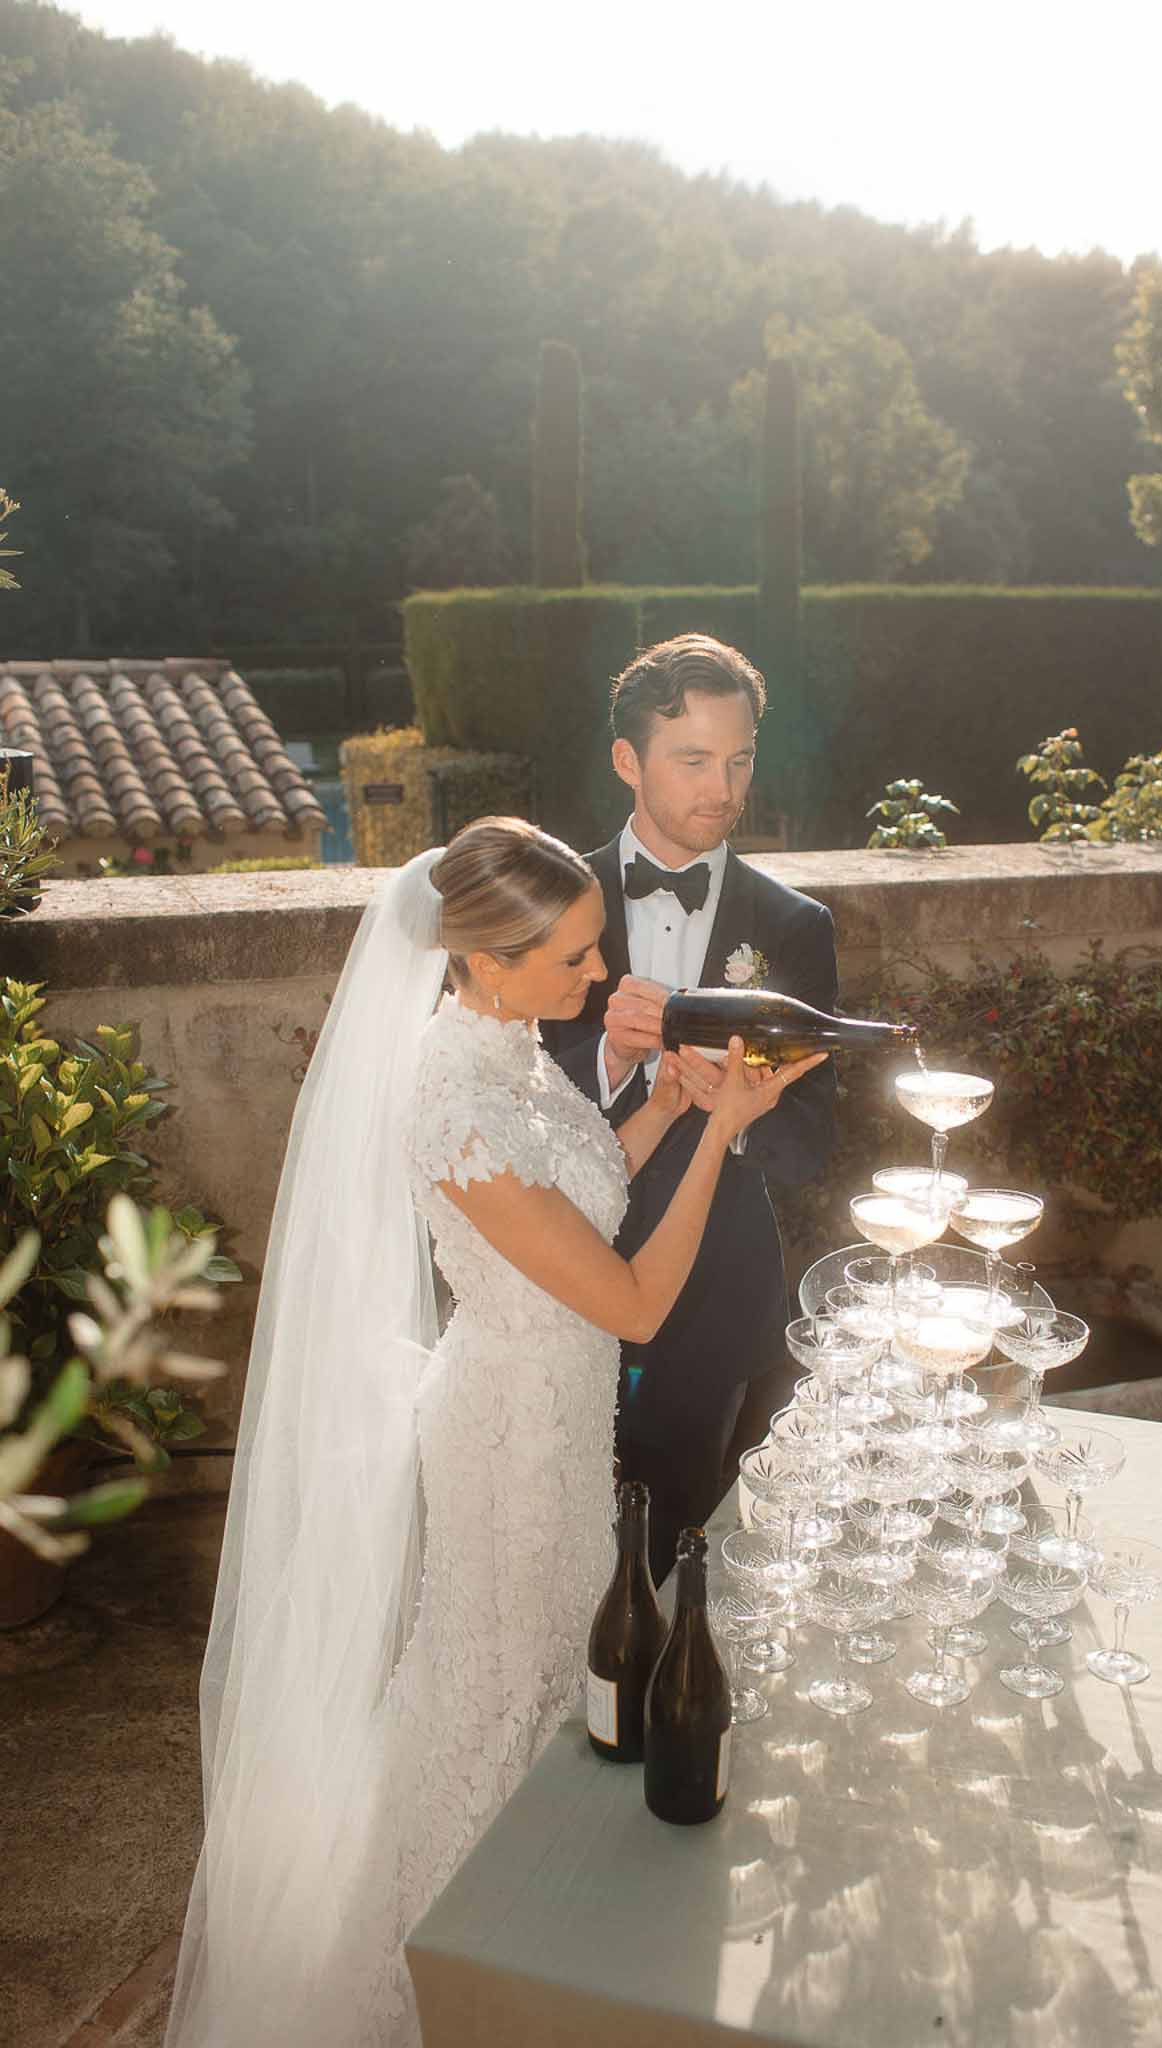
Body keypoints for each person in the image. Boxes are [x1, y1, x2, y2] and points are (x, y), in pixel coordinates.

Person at [164, 819, 821, 2048]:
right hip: (508, 1441)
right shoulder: (451, 1103)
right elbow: (631, 1300)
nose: (599, 974)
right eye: (572, 957)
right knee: (492, 1702)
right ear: (485, 958)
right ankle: (435, 1981)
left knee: (555, 1684)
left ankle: (534, 1947)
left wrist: (667, 1105)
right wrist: (720, 1132)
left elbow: (580, 1187)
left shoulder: (509, 1047)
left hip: (558, 1426)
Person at [542, 634, 838, 1584]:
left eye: (739, 760)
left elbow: (811, 1147)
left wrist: (736, 1110)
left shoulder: (794, 926)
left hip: (716, 1298)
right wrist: (610, 1060)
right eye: (693, 761)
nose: (723, 789)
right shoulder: (546, 904)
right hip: (558, 1273)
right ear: (626, 761)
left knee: (690, 1558)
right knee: (551, 1538)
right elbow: (498, 1103)